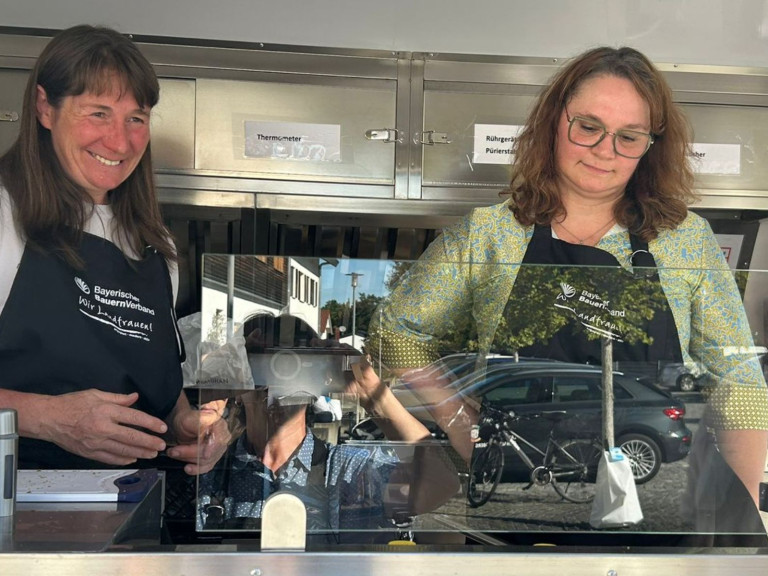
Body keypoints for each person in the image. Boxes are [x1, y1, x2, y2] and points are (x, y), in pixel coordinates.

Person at [369, 46, 768, 541]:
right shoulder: (490, 235)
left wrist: (741, 519)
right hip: (512, 511)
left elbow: (739, 380)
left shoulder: (684, 239)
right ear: (555, 122)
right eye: (588, 126)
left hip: (658, 524)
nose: (606, 150)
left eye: (629, 136)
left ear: (651, 145)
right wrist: (454, 414)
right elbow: (392, 332)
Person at [0, 25, 225, 474]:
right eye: (98, 113)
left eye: (136, 119)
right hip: (15, 525)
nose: (120, 142)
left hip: (134, 519)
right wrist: (48, 418)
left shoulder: (152, 240)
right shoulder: (5, 213)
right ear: (46, 108)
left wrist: (182, 422)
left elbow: (151, 377)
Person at [197, 313, 459, 542]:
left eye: (294, 363)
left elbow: (441, 484)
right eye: (263, 363)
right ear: (238, 381)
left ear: (317, 382)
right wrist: (210, 383)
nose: (279, 375)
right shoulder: (210, 468)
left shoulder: (349, 469)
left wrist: (371, 393)